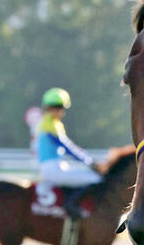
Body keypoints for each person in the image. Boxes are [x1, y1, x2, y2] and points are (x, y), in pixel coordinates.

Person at [35, 87, 102, 219]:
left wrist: (87, 161)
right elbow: (67, 148)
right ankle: (71, 204)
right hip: (54, 169)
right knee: (96, 178)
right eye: (56, 107)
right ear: (47, 108)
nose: (59, 111)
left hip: (53, 167)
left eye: (61, 107)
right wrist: (89, 162)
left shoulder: (47, 123)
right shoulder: (51, 124)